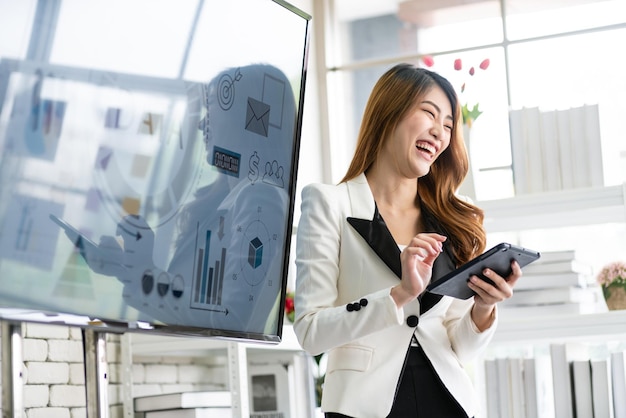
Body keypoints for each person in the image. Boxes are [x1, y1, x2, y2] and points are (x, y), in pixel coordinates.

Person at [292, 63, 522, 418]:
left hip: (449, 401)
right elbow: (310, 331)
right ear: (389, 113)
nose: (440, 132)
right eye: (429, 113)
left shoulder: (451, 222)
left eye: (448, 125)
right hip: (362, 405)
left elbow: (459, 346)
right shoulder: (329, 203)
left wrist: (483, 308)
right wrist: (399, 294)